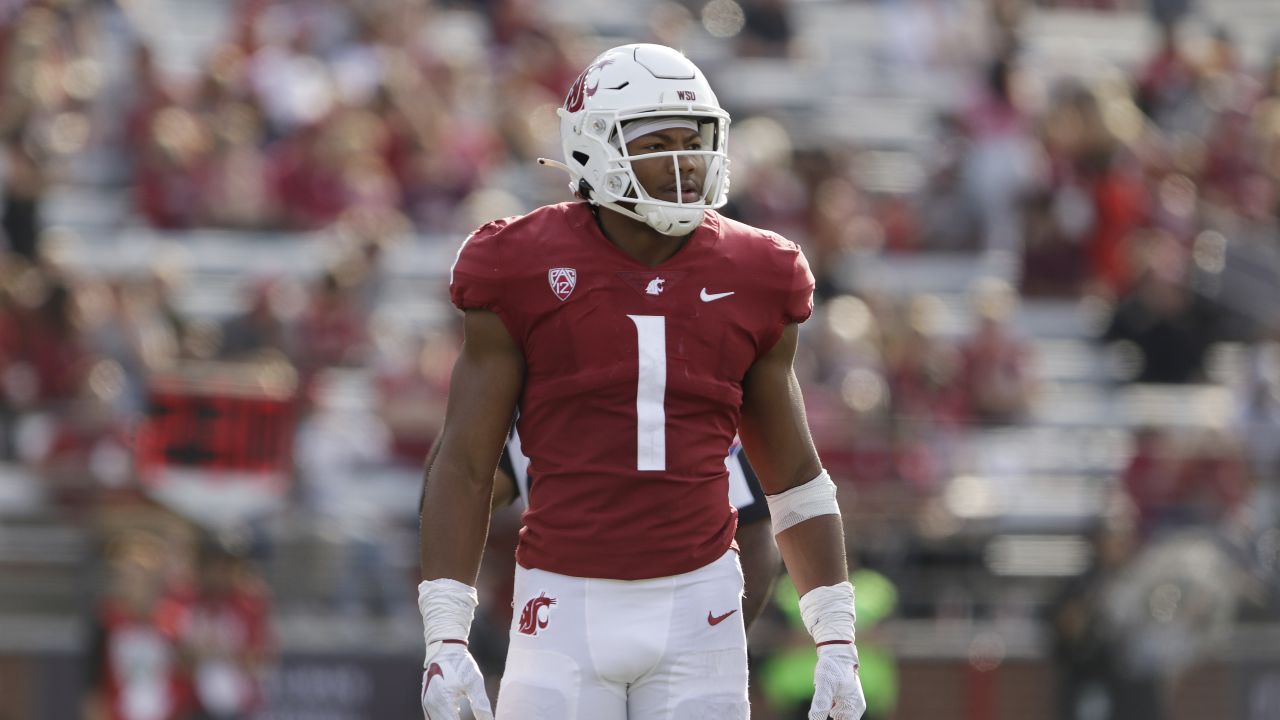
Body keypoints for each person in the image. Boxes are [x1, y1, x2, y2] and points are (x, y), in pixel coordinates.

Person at [418, 43, 866, 720]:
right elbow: (465, 463)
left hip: (701, 605)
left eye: (696, 140)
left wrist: (835, 633)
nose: (686, 160)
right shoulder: (517, 262)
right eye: (660, 141)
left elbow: (793, 473)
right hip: (561, 600)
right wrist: (445, 633)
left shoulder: (759, 270)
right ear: (595, 147)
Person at [491, 431, 780, 631]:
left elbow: (754, 533)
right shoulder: (525, 397)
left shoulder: (679, 386)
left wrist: (719, 640)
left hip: (676, 628)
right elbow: (467, 487)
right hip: (564, 626)